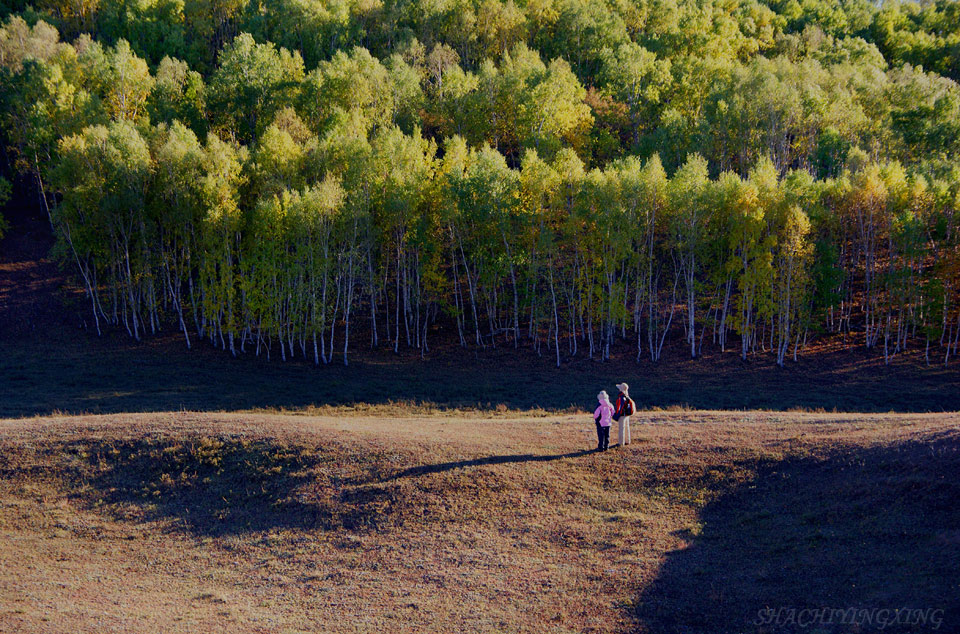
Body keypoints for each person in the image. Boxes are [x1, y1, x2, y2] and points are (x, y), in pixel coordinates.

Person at [614, 382, 635, 446]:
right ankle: (627, 440)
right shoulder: (627, 396)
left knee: (621, 428)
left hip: (622, 415)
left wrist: (616, 416)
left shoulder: (621, 397)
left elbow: (619, 408)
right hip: (627, 414)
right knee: (627, 427)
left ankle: (621, 442)